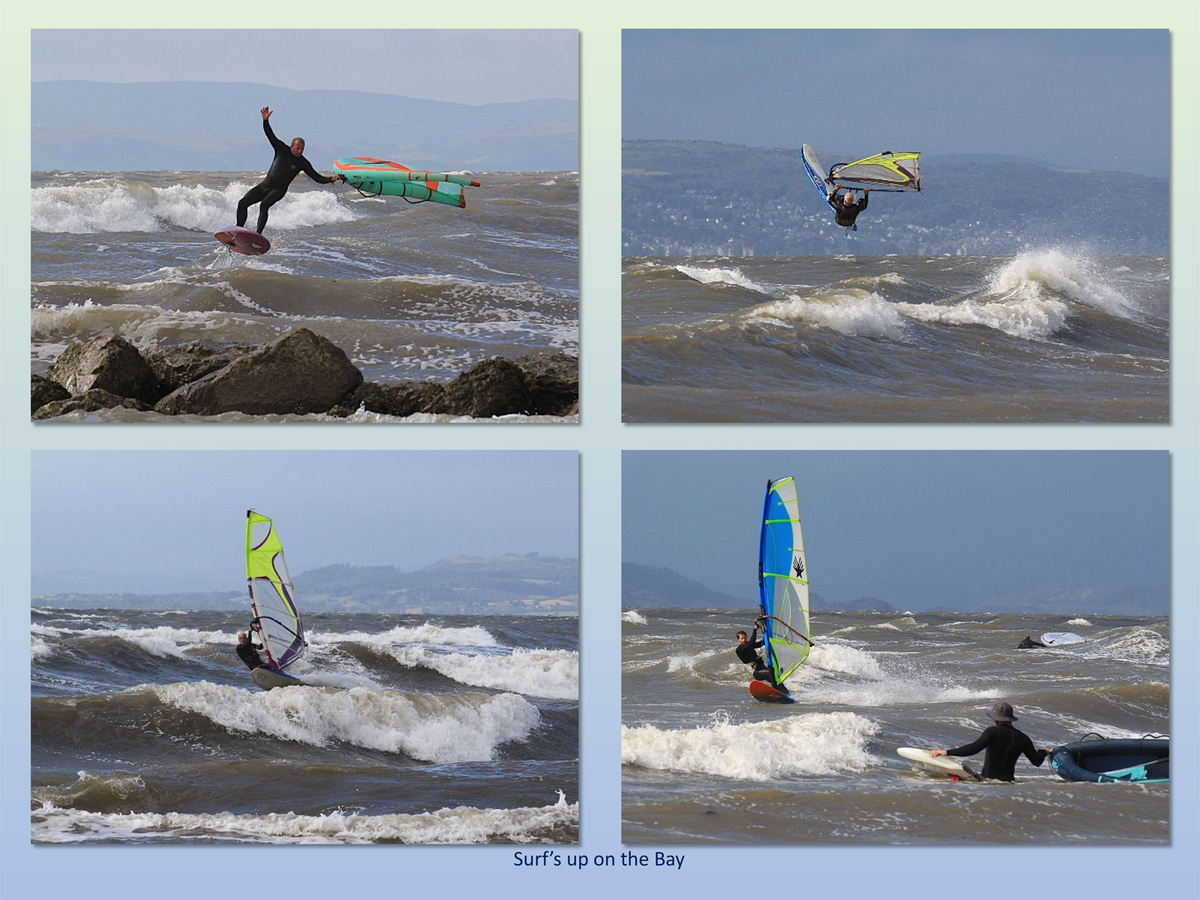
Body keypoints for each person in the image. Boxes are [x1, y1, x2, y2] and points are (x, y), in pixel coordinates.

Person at [236, 107, 342, 234]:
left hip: (279, 190)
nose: (300, 151)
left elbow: (317, 177)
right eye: (298, 148)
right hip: (266, 185)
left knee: (264, 205)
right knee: (243, 203)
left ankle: (257, 235)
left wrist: (331, 179)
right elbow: (270, 135)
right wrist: (265, 120)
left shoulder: (303, 162)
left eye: (302, 148)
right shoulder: (281, 149)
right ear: (292, 146)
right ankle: (238, 230)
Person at [929, 701, 1051, 782]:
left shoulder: (992, 732)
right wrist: (1042, 752)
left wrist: (946, 752)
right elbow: (1036, 762)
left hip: (989, 782)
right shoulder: (1023, 738)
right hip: (1008, 784)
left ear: (995, 718)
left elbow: (974, 748)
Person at [735, 618, 781, 687]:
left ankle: (783, 691)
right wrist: (755, 630)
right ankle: (775, 690)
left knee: (776, 678)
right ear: (738, 639)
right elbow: (751, 642)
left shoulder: (748, 645)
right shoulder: (739, 649)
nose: (744, 640)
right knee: (772, 672)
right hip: (756, 672)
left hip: (761, 667)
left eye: (745, 638)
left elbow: (760, 644)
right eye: (742, 638)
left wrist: (767, 636)